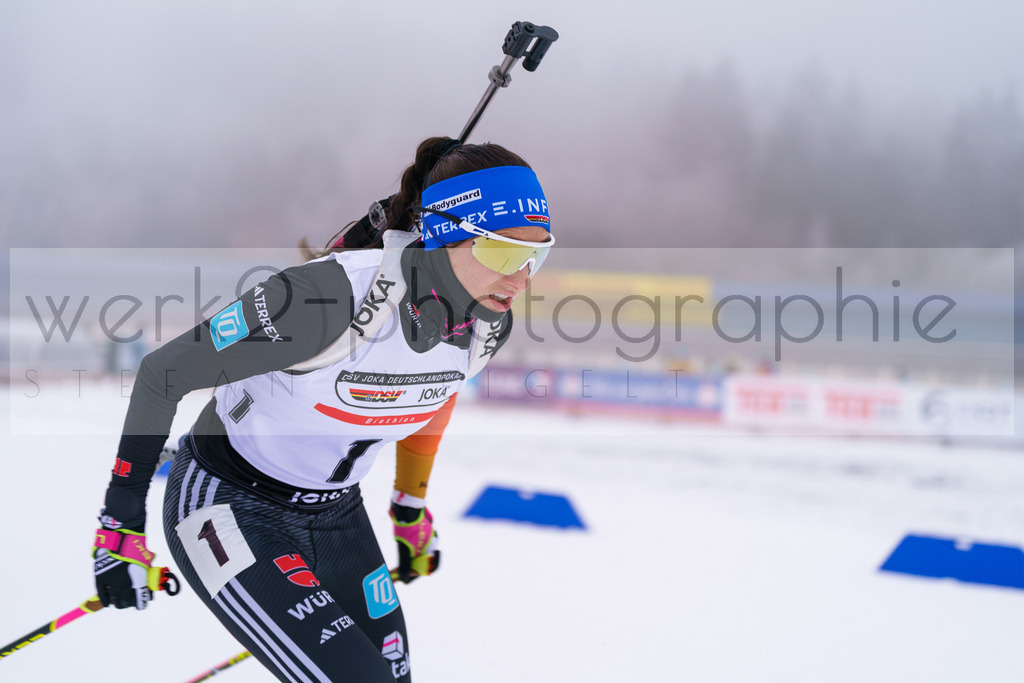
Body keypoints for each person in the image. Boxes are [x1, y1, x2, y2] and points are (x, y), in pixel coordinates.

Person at [92, 136, 554, 682]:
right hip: (230, 502)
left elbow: (434, 398)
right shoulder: (327, 300)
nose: (521, 278)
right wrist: (120, 521)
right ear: (444, 236)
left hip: (337, 516)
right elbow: (164, 373)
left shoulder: (485, 324)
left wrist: (408, 509)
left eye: (536, 255)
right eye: (503, 253)